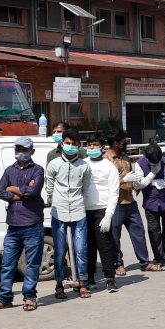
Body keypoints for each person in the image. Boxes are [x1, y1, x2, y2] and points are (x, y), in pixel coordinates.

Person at [0, 137, 45, 312]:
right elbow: (0, 192)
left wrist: (13, 189)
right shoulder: (9, 170)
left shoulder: (38, 170)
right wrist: (22, 192)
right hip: (13, 224)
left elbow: (34, 191)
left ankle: (29, 297)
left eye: (24, 149)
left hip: (32, 224)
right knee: (7, 264)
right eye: (18, 148)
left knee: (32, 264)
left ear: (32, 151)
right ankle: (5, 298)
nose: (20, 152)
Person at [45, 128, 91, 300]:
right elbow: (49, 185)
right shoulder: (54, 164)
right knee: (59, 250)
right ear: (62, 144)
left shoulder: (84, 166)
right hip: (59, 211)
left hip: (79, 211)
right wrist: (51, 199)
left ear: (78, 145)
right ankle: (59, 284)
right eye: (67, 144)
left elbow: (86, 187)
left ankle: (82, 283)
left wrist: (80, 199)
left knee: (81, 249)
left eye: (74, 144)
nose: (70, 147)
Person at [105, 130, 155, 274]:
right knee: (114, 236)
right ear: (116, 143)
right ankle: (118, 264)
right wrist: (122, 181)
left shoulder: (126, 158)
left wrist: (136, 184)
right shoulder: (106, 159)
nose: (125, 143)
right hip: (115, 204)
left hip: (130, 201)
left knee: (138, 231)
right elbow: (105, 183)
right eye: (123, 141)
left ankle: (145, 262)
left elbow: (132, 177)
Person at [82, 132, 122, 293]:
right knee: (88, 247)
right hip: (84, 211)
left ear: (102, 147)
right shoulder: (82, 164)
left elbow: (114, 192)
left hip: (102, 211)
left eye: (95, 145)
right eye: (89, 145)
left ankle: (110, 279)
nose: (91, 148)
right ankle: (90, 278)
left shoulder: (109, 167)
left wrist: (108, 215)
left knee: (104, 246)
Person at [135, 143, 165, 270]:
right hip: (150, 202)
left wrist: (151, 182)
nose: (155, 164)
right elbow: (140, 184)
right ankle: (159, 257)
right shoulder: (139, 163)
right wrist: (152, 174)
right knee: (154, 230)